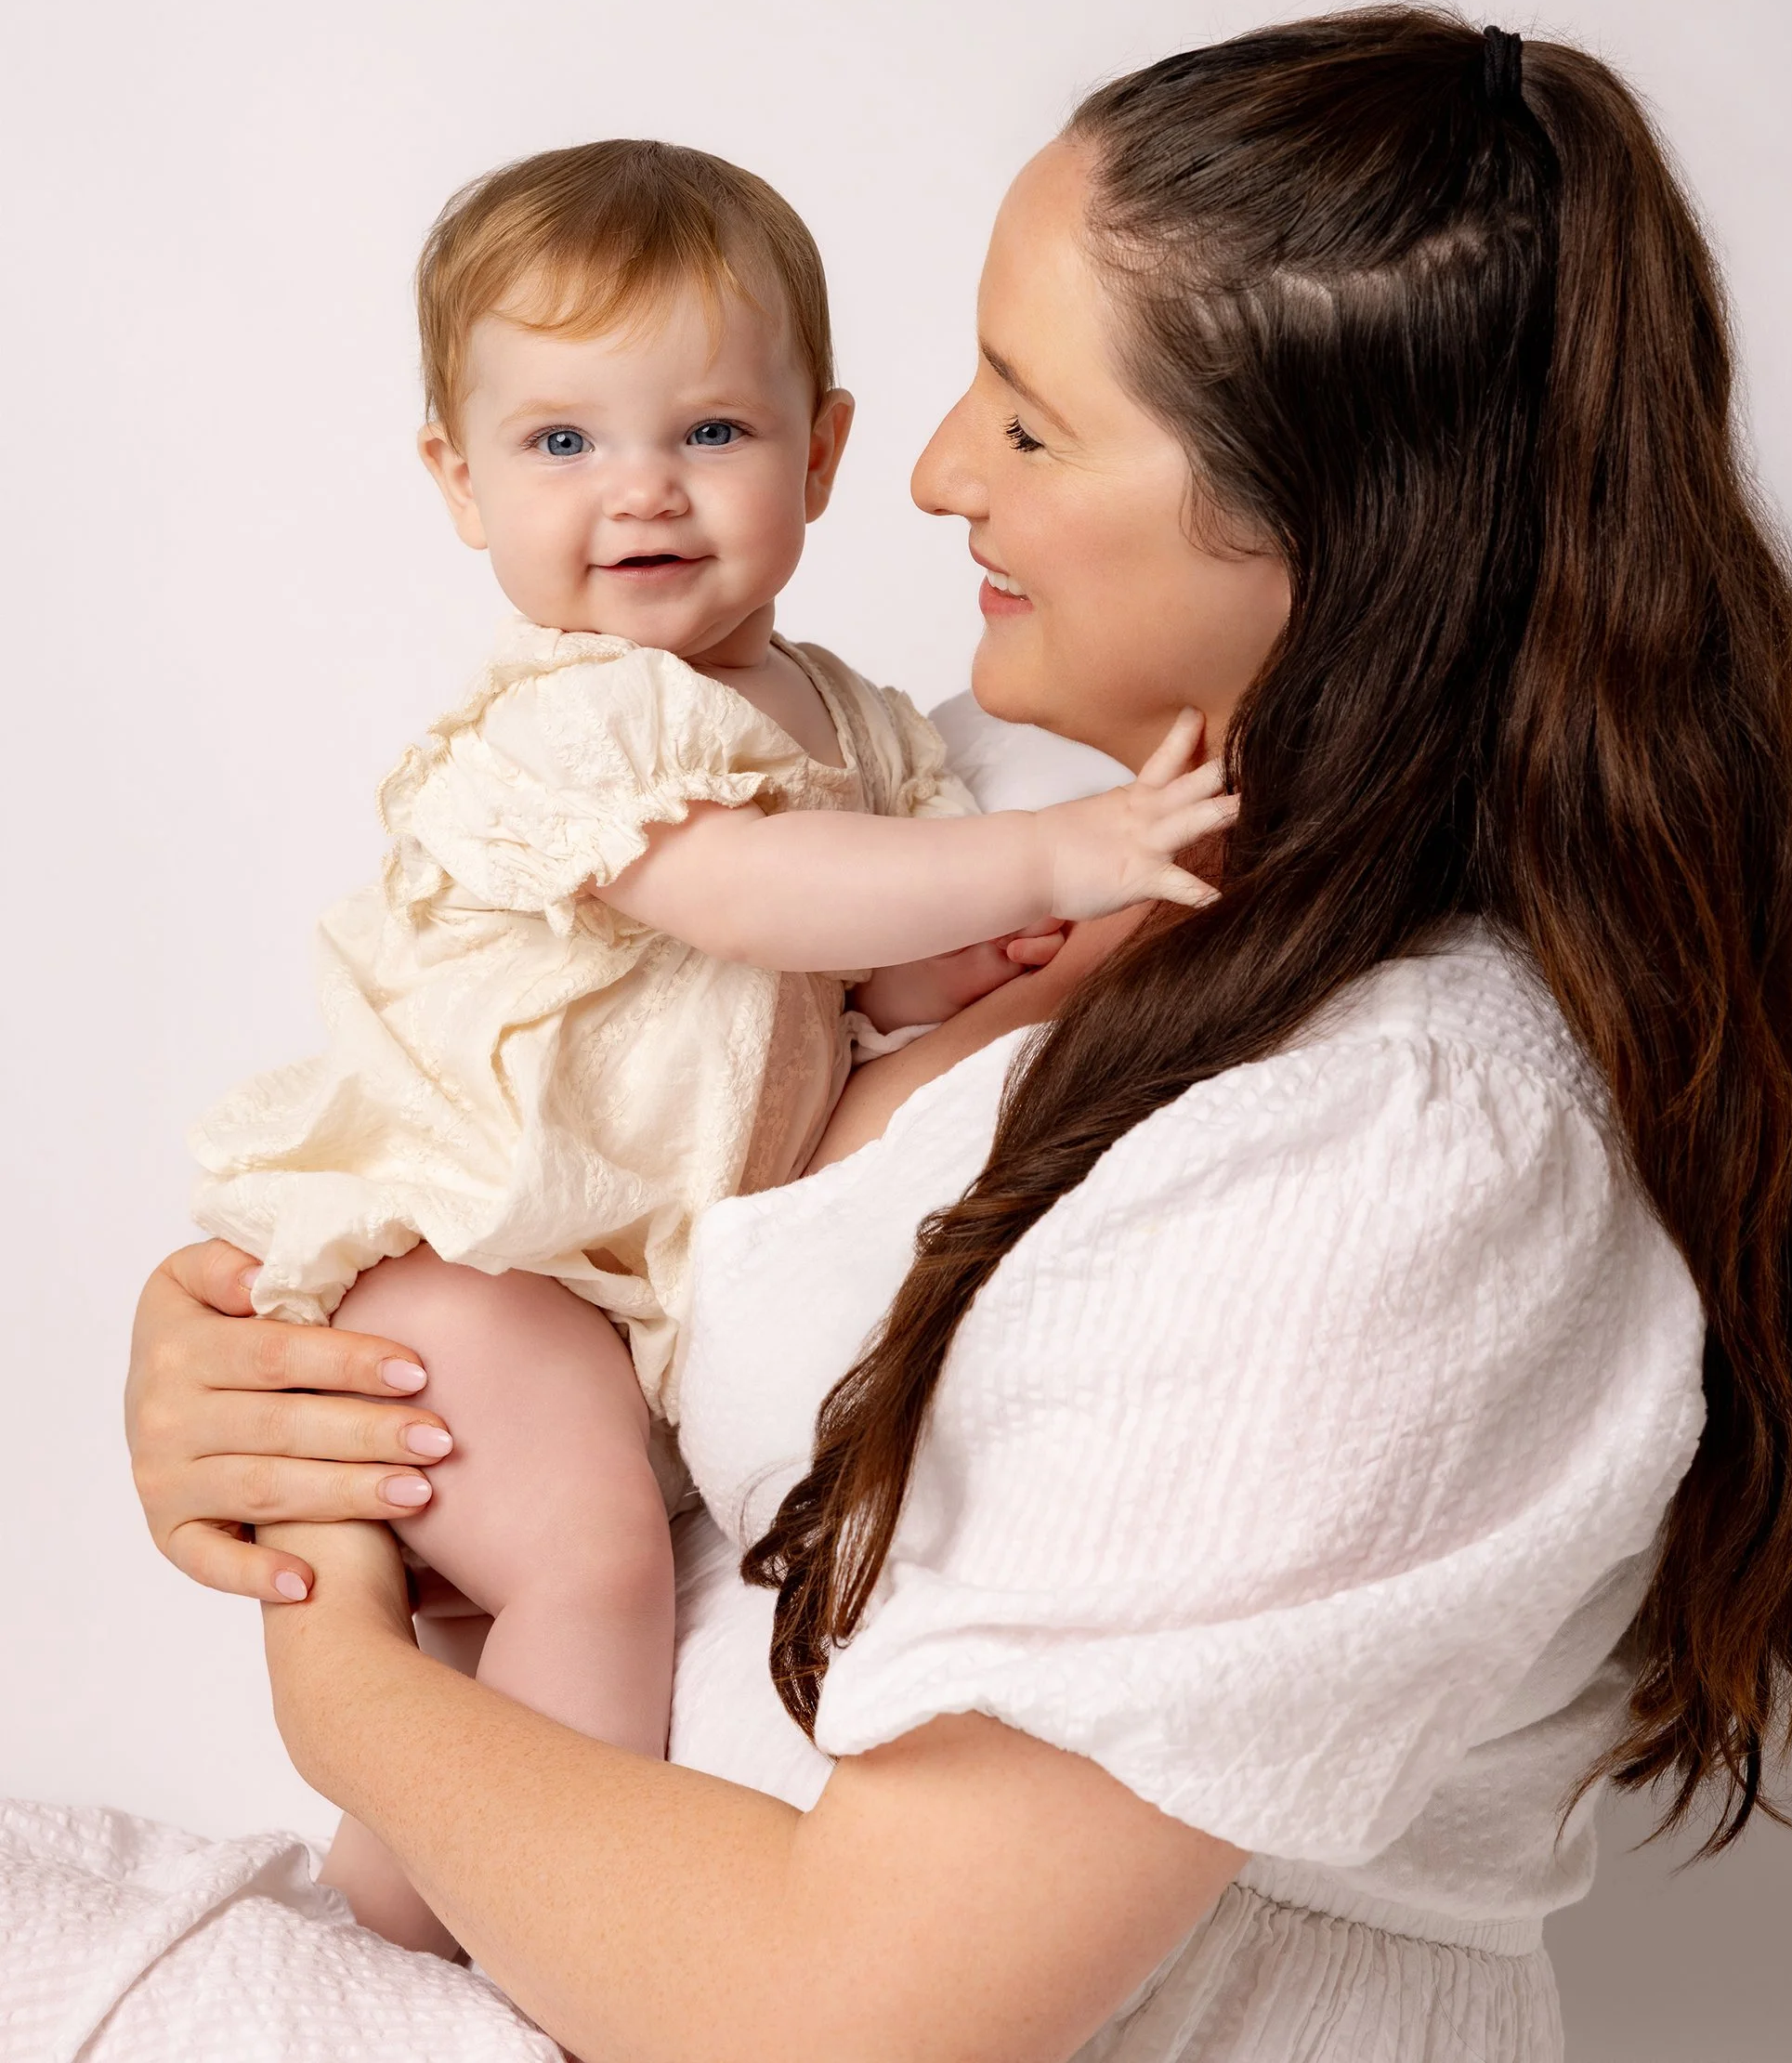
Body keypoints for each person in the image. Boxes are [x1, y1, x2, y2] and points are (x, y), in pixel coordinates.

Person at [114, 7, 1792, 2062]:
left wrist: (341, 1676)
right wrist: (259, 1382)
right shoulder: (988, 799)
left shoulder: (1412, 1139)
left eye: (1029, 427)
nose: (936, 473)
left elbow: (862, 2013)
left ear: (1343, 512)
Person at [185, 134, 1233, 1953]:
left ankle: (383, 1927)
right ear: (457, 480)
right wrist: (1057, 855)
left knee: (528, 1647)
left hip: (618, 1306)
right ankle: (524, 1973)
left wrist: (983, 962)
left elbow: (856, 994)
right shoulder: (568, 718)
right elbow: (748, 899)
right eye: (560, 442)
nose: (642, 492)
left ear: (820, 453)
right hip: (476, 1267)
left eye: (713, 432)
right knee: (588, 1580)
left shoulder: (857, 728)